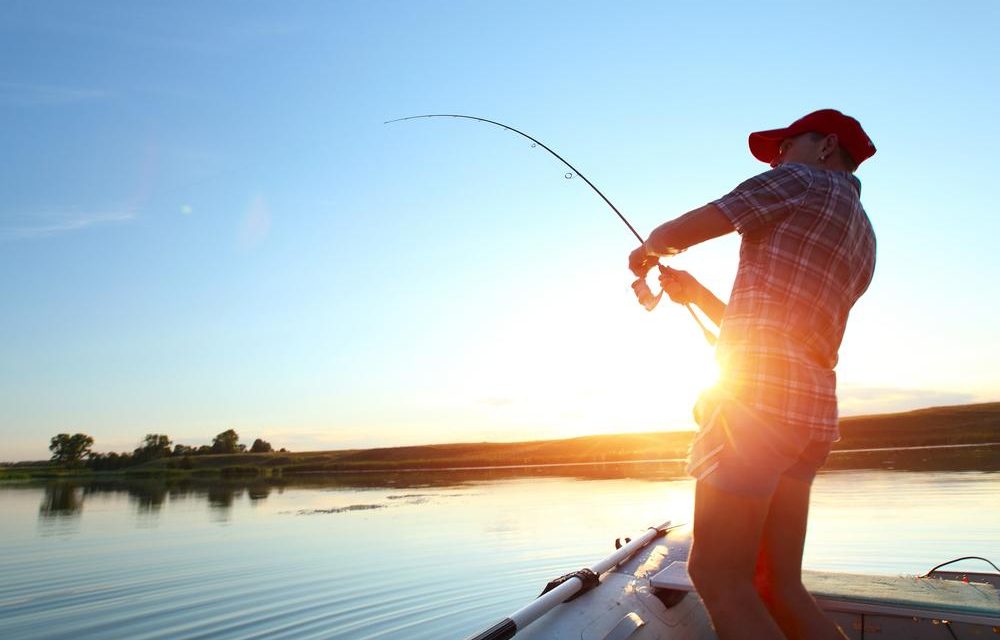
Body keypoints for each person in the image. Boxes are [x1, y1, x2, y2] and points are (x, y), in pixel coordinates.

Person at [628, 109, 877, 640]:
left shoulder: (798, 180)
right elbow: (778, 330)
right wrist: (694, 294)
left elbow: (679, 232)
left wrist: (647, 249)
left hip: (756, 411)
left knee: (717, 575)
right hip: (809, 418)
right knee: (779, 585)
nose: (776, 158)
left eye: (784, 145)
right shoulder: (864, 234)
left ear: (826, 146)